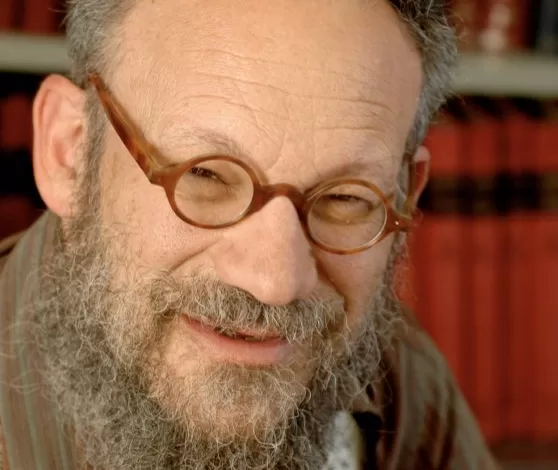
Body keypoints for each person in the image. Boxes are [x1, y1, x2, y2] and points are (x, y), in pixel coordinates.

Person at [0, 0, 500, 468]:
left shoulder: (407, 383)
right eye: (205, 175)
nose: (274, 283)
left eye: (346, 199)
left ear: (407, 194)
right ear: (70, 154)